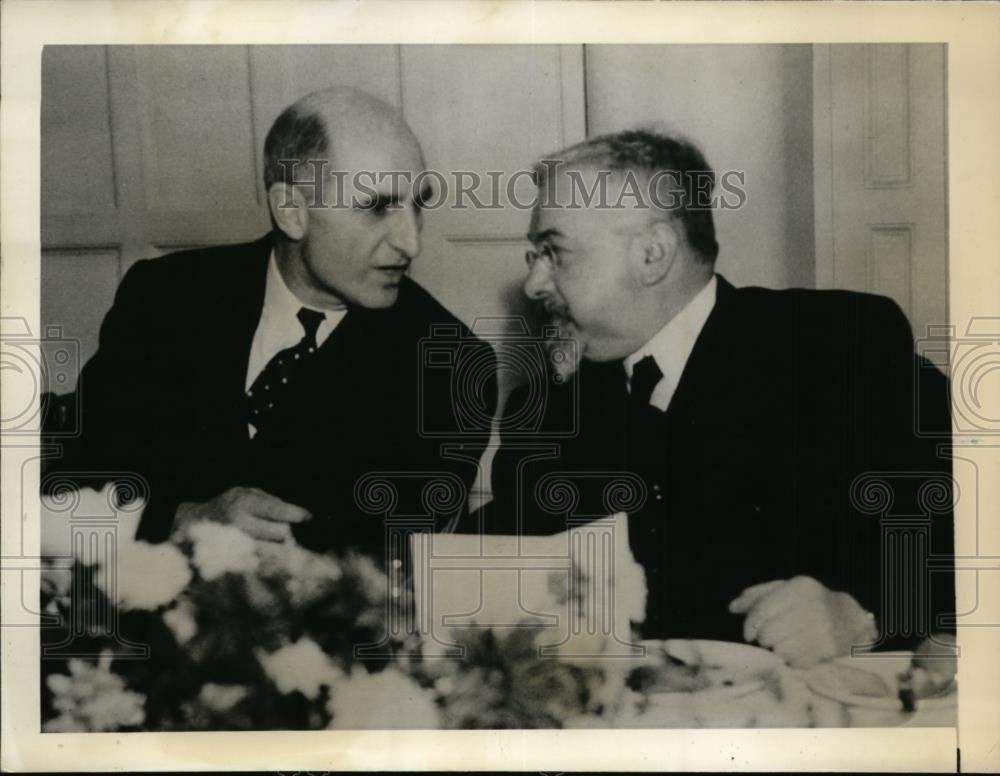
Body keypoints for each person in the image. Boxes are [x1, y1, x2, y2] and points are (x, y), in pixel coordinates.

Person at [486, 128, 954, 667]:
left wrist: (866, 614)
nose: (533, 285)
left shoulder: (839, 346)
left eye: (554, 251)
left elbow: (965, 525)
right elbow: (508, 569)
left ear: (652, 255)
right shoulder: (544, 407)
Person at [49, 86, 496, 559]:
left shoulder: (450, 365)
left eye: (417, 206)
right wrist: (176, 519)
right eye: (377, 207)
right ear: (291, 210)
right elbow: (77, 479)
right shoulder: (165, 297)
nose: (411, 243)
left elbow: (370, 565)